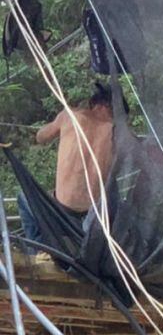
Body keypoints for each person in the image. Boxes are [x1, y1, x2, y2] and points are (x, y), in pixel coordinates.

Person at [18, 82, 124, 250]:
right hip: (93, 218)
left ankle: (38, 252)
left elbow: (40, 137)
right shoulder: (119, 134)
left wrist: (58, 125)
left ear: (96, 104)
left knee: (23, 197)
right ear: (108, 108)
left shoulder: (70, 116)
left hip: (61, 213)